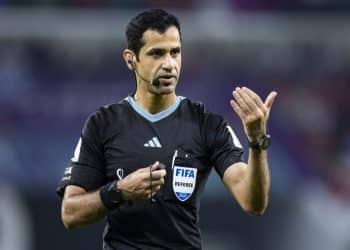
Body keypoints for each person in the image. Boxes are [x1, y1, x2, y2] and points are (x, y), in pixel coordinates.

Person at [57, 8, 277, 250]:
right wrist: (120, 191)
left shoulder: (208, 125)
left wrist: (257, 142)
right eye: (157, 54)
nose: (169, 64)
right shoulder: (103, 124)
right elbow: (70, 213)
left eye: (175, 52)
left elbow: (253, 203)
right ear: (131, 59)